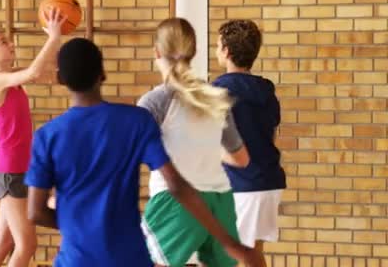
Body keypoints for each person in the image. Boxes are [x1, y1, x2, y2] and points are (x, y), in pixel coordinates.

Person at [25, 37, 263, 267]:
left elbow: (35, 212)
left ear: (59, 78)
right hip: (128, 256)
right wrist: (229, 242)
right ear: (103, 74)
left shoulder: (47, 137)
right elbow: (178, 186)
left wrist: (78, 223)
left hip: (75, 259)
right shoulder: (135, 121)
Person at [138, 17, 249, 267]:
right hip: (220, 200)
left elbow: (134, 156)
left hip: (176, 200)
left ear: (156, 52)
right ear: (194, 52)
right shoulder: (217, 98)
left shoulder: (153, 102)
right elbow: (241, 159)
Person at [0, 8, 66, 267]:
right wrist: (53, 38)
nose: (10, 44)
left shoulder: (11, 80)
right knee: (26, 244)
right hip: (10, 172)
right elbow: (35, 72)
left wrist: (58, 46)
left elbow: (42, 70)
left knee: (4, 243)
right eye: (4, 42)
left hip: (19, 170)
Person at [213, 19, 286, 267]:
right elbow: (270, 133)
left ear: (227, 51)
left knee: (226, 256)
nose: (216, 50)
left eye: (218, 45)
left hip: (242, 185)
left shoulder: (218, 91)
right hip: (268, 182)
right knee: (252, 253)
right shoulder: (266, 91)